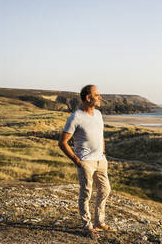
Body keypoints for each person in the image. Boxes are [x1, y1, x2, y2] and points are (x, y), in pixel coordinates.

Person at [58, 85, 112, 238]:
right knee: (86, 195)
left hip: (101, 160)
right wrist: (76, 160)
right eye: (97, 94)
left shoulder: (99, 114)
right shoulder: (75, 117)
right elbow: (62, 142)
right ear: (88, 98)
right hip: (86, 162)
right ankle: (87, 226)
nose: (100, 97)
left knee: (105, 189)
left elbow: (100, 133)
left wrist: (103, 151)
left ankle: (99, 222)